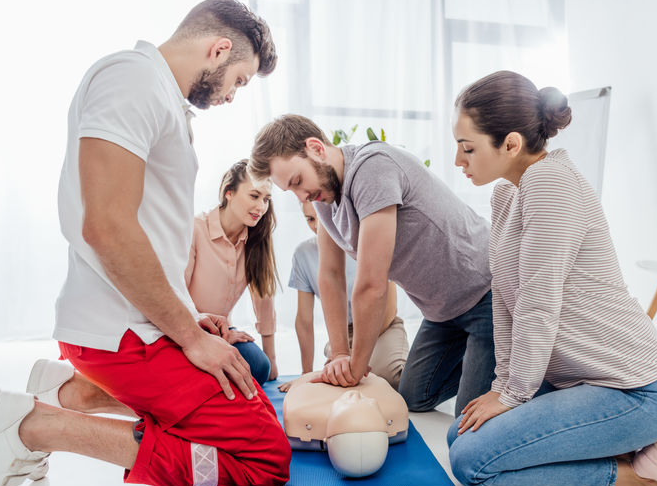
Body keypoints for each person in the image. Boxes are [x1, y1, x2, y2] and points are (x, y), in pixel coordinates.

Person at [0, 0, 290, 486]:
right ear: (218, 49)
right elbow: (108, 227)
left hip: (140, 324)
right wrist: (189, 337)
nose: (233, 95)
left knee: (249, 396)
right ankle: (31, 426)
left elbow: (150, 234)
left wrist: (190, 316)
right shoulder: (132, 80)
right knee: (263, 459)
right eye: (239, 79)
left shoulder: (160, 97)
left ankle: (67, 392)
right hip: (121, 335)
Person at [446, 70, 657, 486]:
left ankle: (651, 474)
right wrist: (503, 387)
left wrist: (514, 395)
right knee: (460, 436)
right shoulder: (506, 194)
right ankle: (636, 447)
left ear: (512, 144)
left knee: (472, 463)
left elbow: (538, 303)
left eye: (468, 148)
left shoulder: (551, 183)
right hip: (582, 383)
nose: (458, 161)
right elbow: (504, 302)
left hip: (639, 391)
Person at [249, 114, 495, 416]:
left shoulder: (372, 168)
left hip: (485, 292)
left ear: (316, 148)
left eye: (298, 181)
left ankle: (516, 362)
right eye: (292, 190)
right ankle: (486, 359)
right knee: (414, 397)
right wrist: (339, 353)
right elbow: (330, 275)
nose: (302, 196)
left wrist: (355, 366)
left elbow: (372, 284)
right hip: (442, 312)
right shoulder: (325, 199)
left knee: (467, 421)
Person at [285, 201, 409, 389]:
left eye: (321, 218)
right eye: (310, 219)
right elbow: (304, 320)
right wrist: (305, 374)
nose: (318, 226)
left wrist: (360, 355)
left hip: (383, 326)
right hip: (345, 331)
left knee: (392, 378)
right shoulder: (303, 254)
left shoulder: (366, 242)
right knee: (346, 376)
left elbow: (390, 308)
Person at [185, 159, 279, 386]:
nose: (261, 207)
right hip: (185, 329)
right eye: (254, 196)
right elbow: (176, 293)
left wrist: (271, 358)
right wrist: (206, 335)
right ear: (229, 192)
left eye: (266, 199)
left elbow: (263, 296)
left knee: (259, 366)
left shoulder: (256, 239)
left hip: (223, 332)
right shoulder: (195, 229)